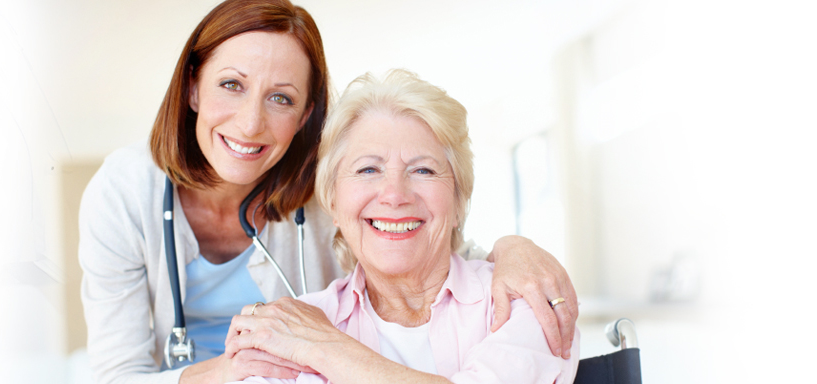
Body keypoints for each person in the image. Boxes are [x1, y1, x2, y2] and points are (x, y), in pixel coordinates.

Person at [78, 1, 577, 384]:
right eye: (231, 84)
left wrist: (514, 248)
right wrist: (233, 368)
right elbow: (118, 375)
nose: (251, 122)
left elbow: (423, 243)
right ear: (192, 86)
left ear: (305, 116)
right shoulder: (124, 192)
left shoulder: (331, 189)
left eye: (281, 98)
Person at [224, 69, 578, 384]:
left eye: (423, 170)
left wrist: (326, 350)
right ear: (333, 202)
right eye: (368, 169)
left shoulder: (525, 298)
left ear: (458, 201)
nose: (394, 195)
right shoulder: (291, 325)